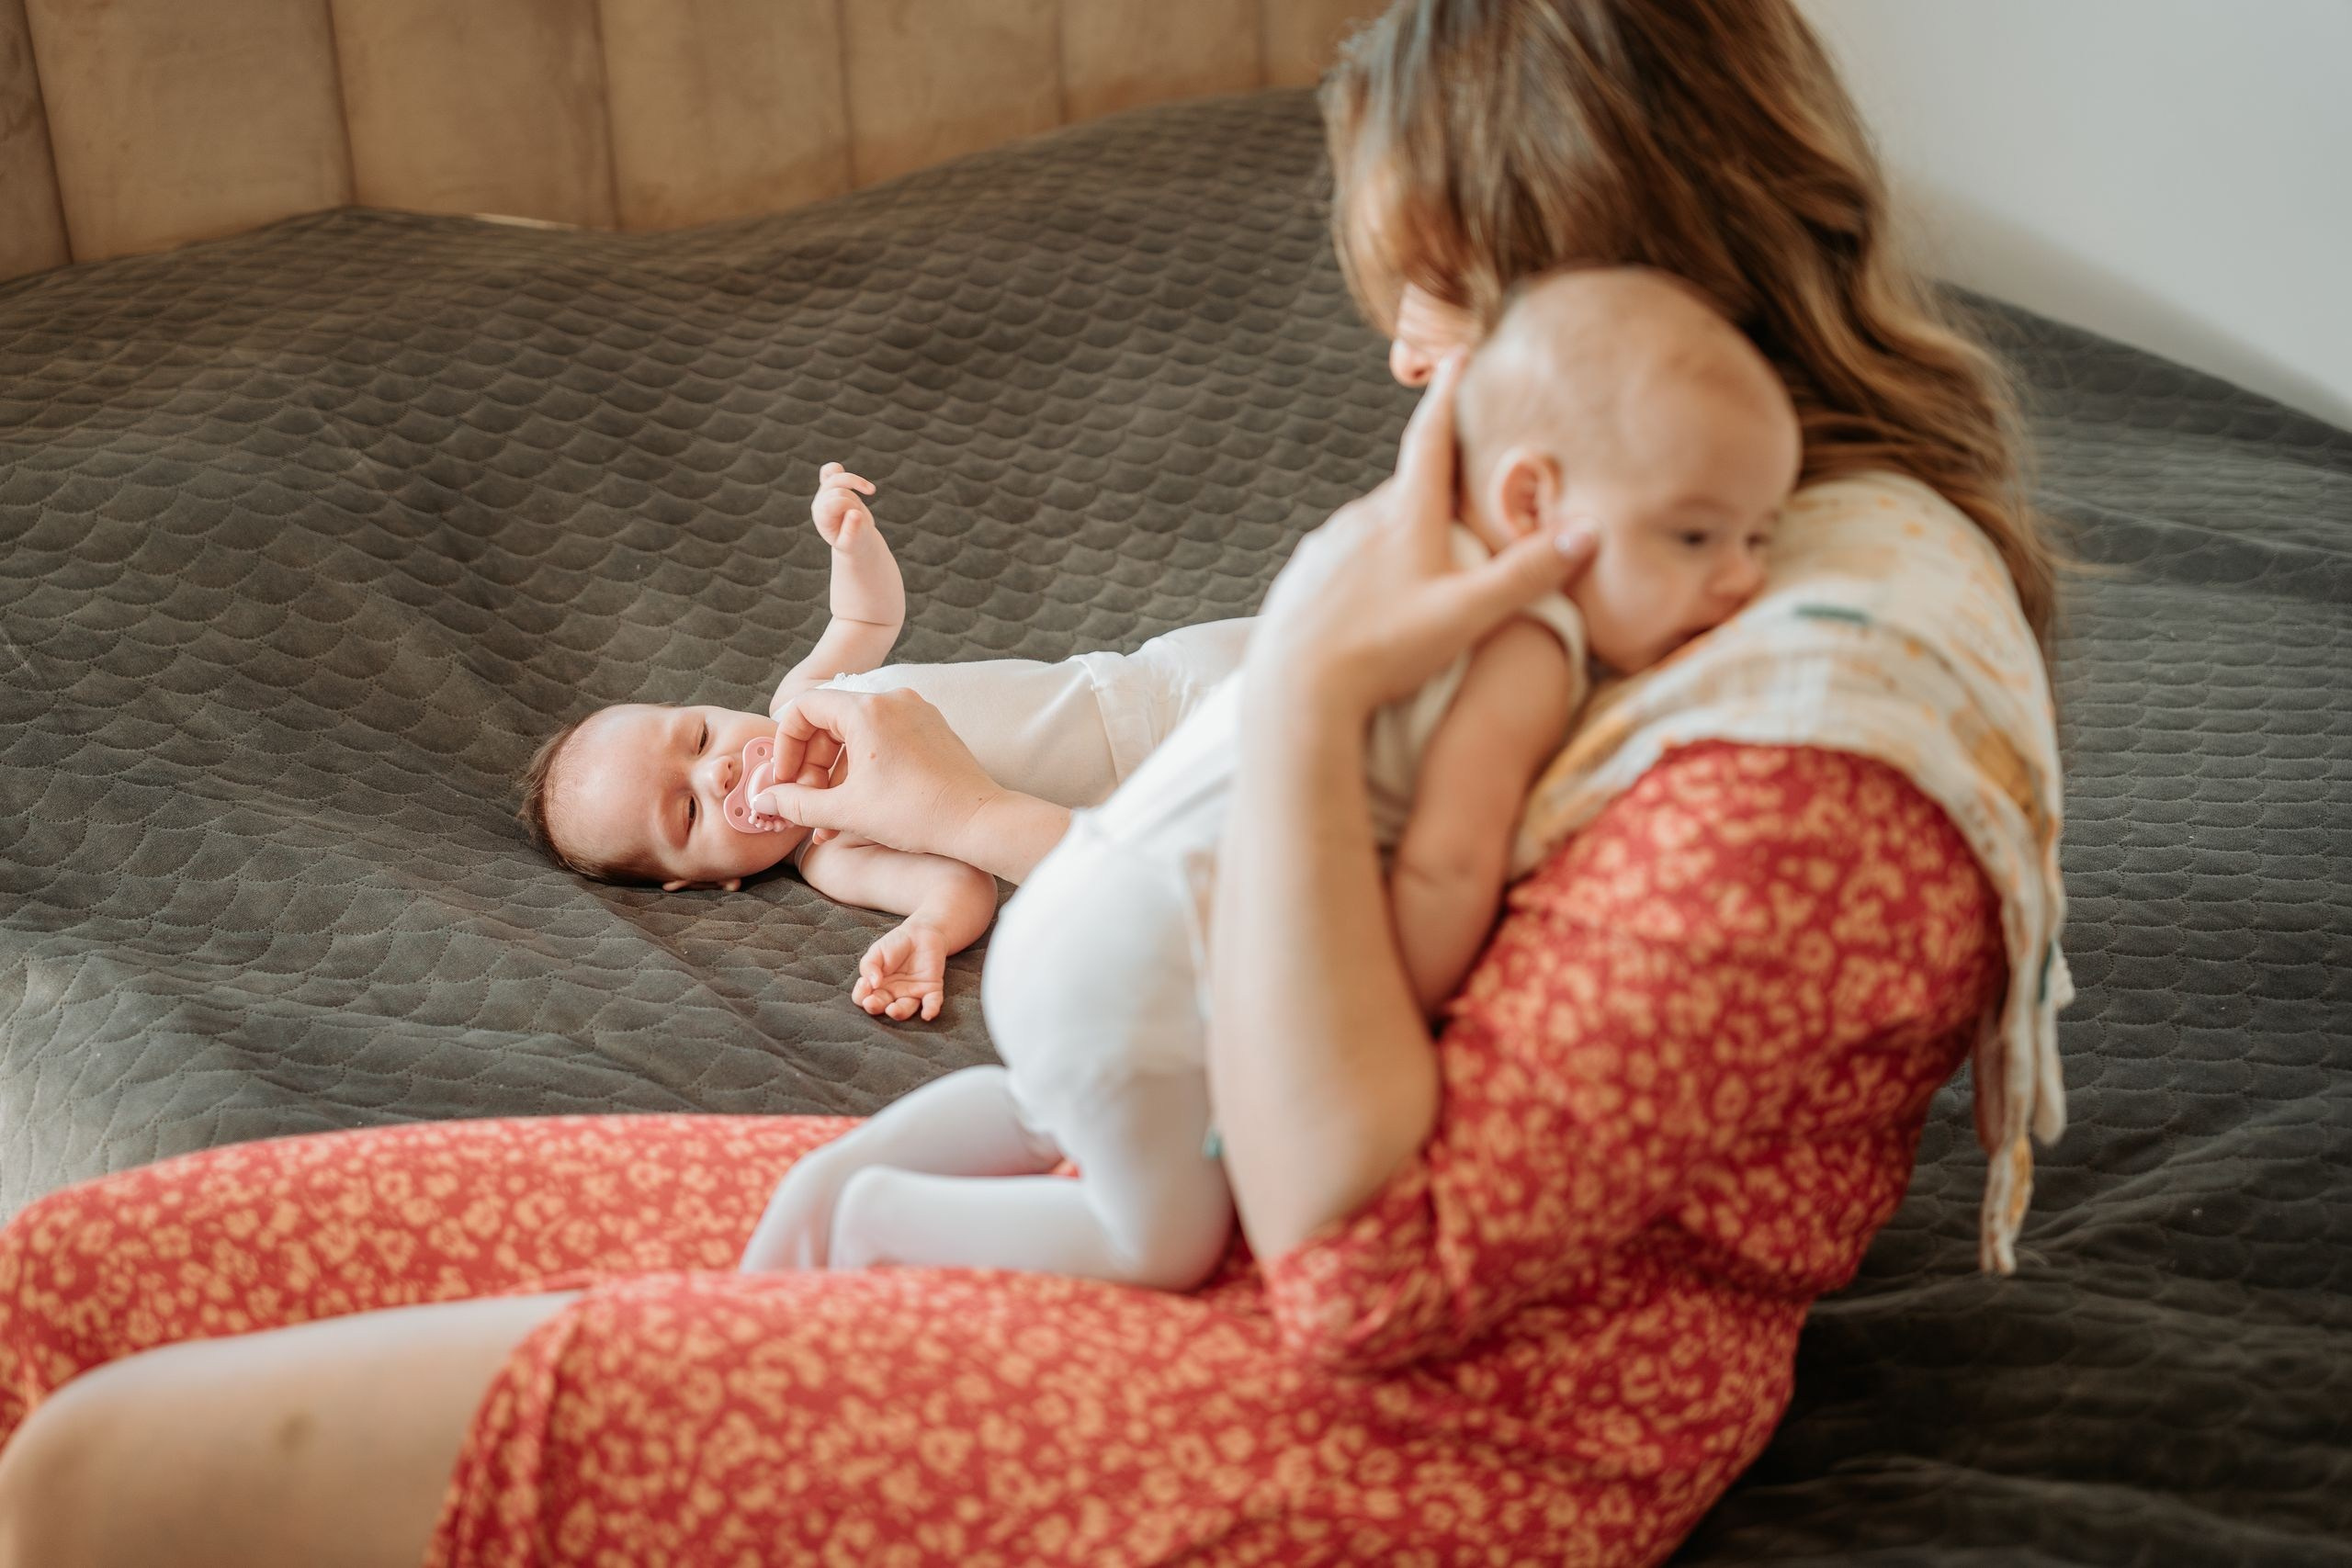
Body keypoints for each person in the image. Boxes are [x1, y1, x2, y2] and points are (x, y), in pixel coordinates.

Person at [0, 4, 2071, 1564]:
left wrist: (1273, 724)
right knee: (58, 1304)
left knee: (106, 1471)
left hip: (1383, 1406)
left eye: (1434, 292)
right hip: (1188, 1173)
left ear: (1603, 268)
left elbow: (1361, 1278)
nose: (1400, 362)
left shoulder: (1812, 758)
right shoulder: (1658, 545)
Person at [738, 266, 1802, 1289]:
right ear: (1533, 500)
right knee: (1159, 1239)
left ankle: (838, 1175)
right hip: (1158, 962)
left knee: (1053, 1106)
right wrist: (1396, 1033)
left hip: (1077, 915)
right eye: (1695, 534)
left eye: (1758, 535)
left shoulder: (1388, 540)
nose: (1744, 579)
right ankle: (880, 1224)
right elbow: (1446, 872)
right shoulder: (1527, 644)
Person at [522, 460, 1250, 1019]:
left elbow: (866, 622)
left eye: (700, 735)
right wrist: (929, 933)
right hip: (1163, 786)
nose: (717, 773)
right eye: (688, 812)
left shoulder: (803, 698)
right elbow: (960, 882)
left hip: (1146, 677)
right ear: (708, 881)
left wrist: (850, 544)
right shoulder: (834, 853)